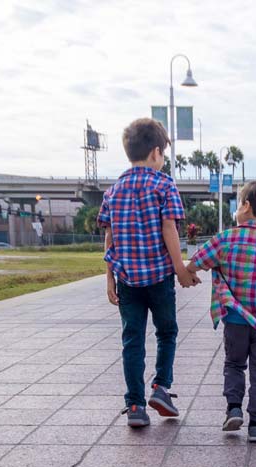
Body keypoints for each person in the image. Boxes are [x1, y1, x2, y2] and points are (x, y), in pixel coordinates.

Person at [98, 117, 200, 428]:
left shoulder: (114, 190)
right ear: (156, 152)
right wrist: (180, 268)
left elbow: (109, 235)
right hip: (158, 278)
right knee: (166, 332)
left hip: (127, 280)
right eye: (164, 155)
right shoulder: (164, 184)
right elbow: (169, 227)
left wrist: (109, 277)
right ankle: (160, 387)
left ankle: (134, 407)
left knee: (132, 340)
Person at [185, 177, 256, 443]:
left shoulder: (225, 239)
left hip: (234, 319)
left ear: (246, 206)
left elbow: (196, 262)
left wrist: (188, 273)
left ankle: (233, 409)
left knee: (234, 364)